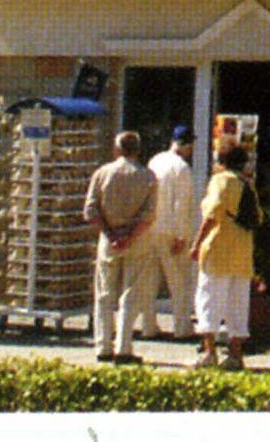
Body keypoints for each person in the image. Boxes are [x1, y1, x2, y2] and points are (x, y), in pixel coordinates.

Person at [83, 129, 159, 363]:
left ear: (117, 149)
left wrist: (110, 234)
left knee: (104, 292)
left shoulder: (102, 173)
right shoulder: (148, 177)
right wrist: (129, 237)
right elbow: (148, 215)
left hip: (109, 238)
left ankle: (102, 346)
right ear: (138, 150)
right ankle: (124, 347)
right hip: (137, 239)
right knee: (131, 293)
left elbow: (90, 211)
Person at [189, 142, 259, 370]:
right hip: (242, 251)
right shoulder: (247, 185)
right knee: (237, 303)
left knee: (209, 300)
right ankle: (235, 355)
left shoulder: (221, 180)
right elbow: (257, 217)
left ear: (221, 161)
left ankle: (209, 352)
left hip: (218, 248)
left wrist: (197, 243)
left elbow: (213, 214)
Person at [140, 124, 198, 341]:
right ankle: (182, 327)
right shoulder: (182, 168)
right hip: (171, 230)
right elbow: (181, 205)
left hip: (150, 228)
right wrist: (182, 236)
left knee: (149, 280)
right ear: (187, 145)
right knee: (179, 281)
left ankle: (148, 326)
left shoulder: (155, 161)